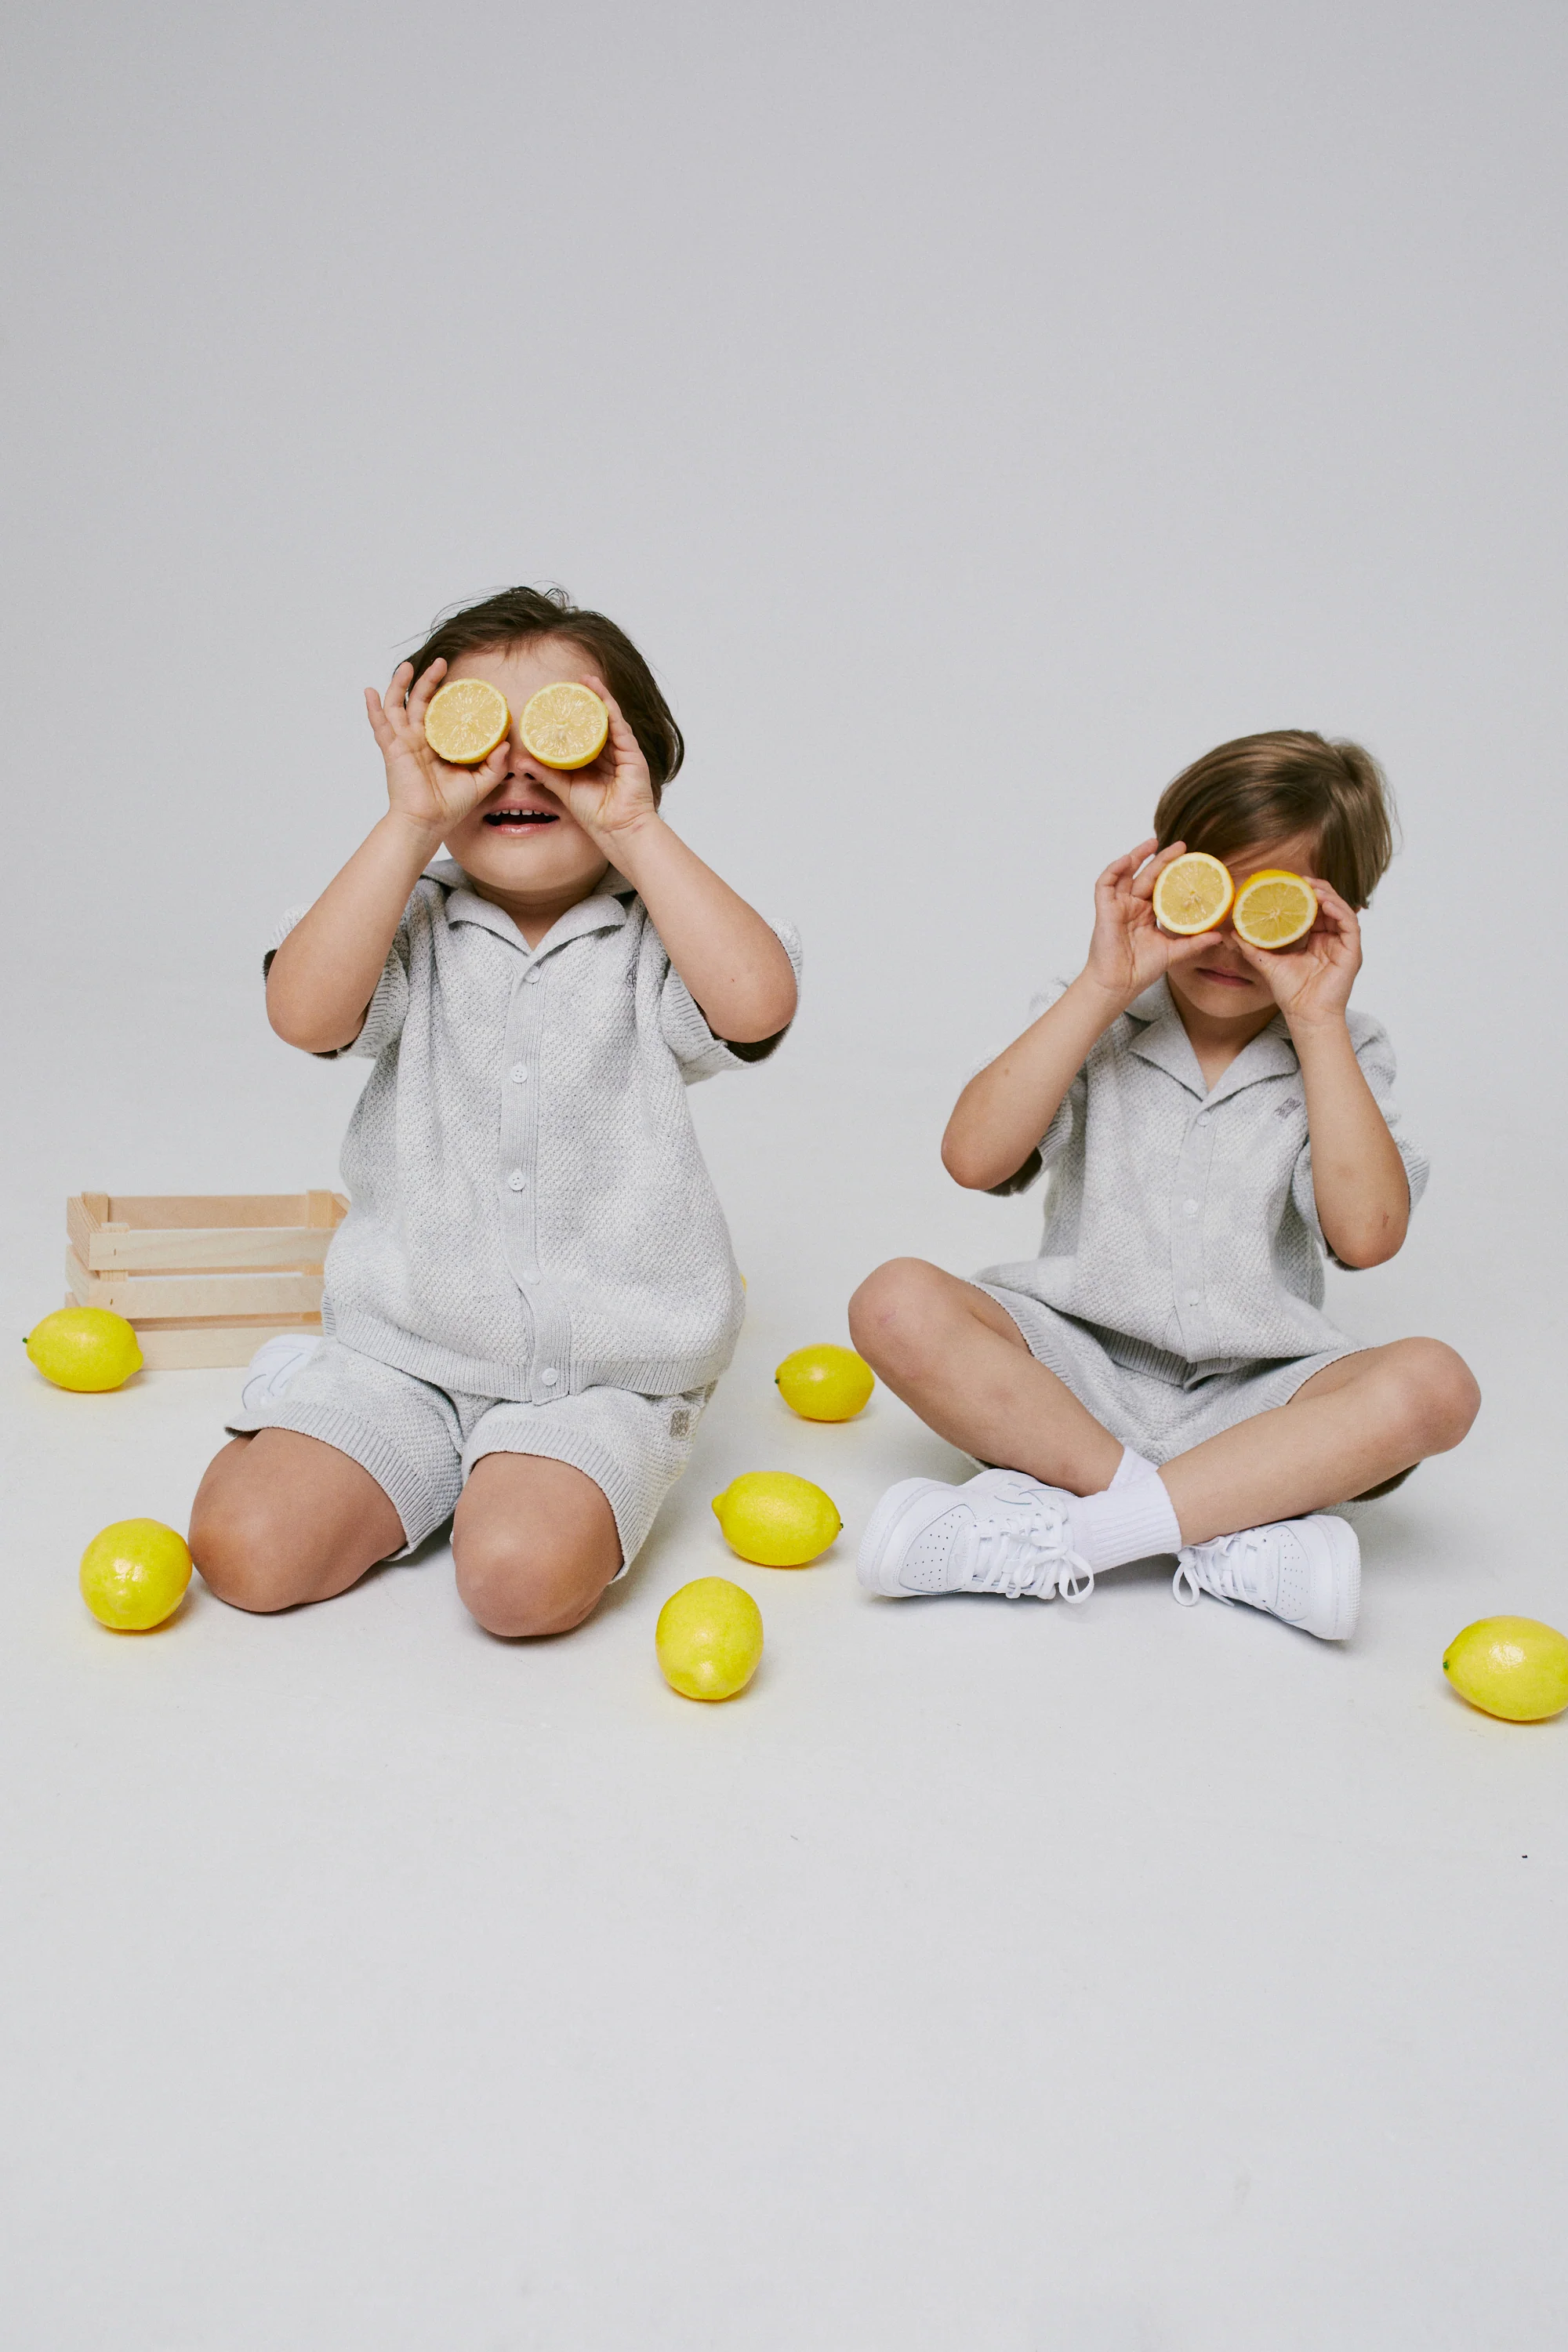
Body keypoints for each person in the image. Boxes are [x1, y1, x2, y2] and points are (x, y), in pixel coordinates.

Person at [190, 586, 800, 1636]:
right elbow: (303, 1011)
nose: (517, 765)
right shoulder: (407, 919)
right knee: (244, 1550)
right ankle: (369, 1422)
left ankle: (567, 1458)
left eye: (562, 732)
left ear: (633, 755)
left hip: (603, 1376)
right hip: (404, 1353)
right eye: (474, 734)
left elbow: (757, 1005)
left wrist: (635, 827)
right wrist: (408, 823)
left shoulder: (661, 933)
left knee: (517, 1584)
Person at [849, 731, 1478, 1640]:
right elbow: (972, 1159)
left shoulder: (1342, 1047)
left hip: (1257, 1400)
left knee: (1435, 1386)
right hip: (1069, 1373)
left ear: (1332, 917)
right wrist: (1101, 984)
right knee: (892, 1301)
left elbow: (1368, 1234)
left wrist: (1318, 1024)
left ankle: (1081, 1532)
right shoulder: (1097, 1011)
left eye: (1267, 908)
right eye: (1206, 892)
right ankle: (1215, 1526)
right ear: (1163, 876)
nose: (1225, 941)